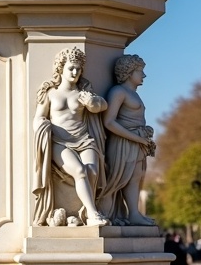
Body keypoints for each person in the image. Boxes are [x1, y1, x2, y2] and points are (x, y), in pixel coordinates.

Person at [32, 47, 110, 227]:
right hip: (59, 142)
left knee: (92, 171)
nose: (75, 72)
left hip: (84, 140)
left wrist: (93, 103)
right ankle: (92, 214)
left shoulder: (83, 93)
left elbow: (102, 105)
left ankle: (85, 212)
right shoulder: (50, 93)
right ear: (61, 69)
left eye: (78, 69)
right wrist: (41, 126)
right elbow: (39, 116)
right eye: (70, 68)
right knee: (80, 171)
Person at [98, 54, 157, 225]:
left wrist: (144, 133)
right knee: (117, 179)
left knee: (135, 177)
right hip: (123, 143)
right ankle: (106, 213)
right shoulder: (118, 92)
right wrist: (137, 138)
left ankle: (133, 213)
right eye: (140, 71)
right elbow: (108, 122)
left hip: (136, 143)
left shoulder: (132, 93)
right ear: (129, 72)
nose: (143, 75)